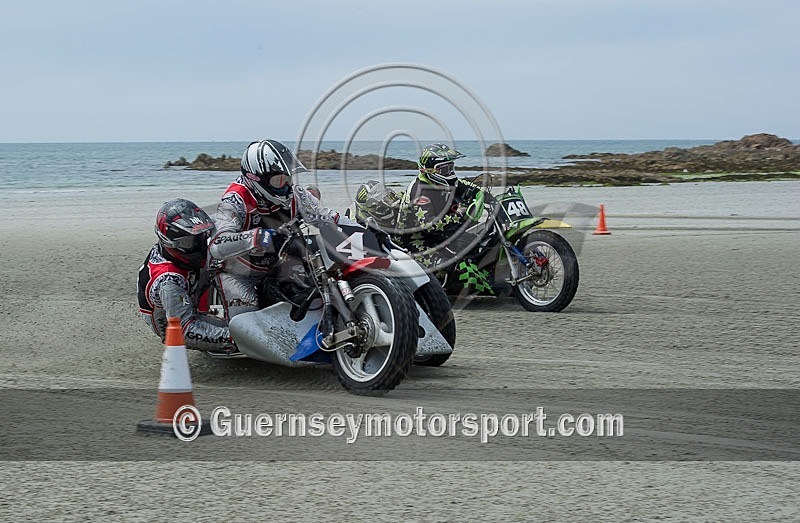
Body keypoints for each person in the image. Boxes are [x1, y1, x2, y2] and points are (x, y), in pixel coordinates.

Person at [209, 139, 346, 319]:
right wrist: (259, 237)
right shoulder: (235, 201)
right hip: (239, 273)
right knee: (246, 329)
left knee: (317, 288)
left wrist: (364, 231)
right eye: (278, 180)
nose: (286, 186)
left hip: (278, 265)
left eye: (287, 178)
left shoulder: (295, 194)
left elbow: (327, 217)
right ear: (255, 178)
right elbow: (217, 245)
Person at [137, 198, 236, 352]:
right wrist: (237, 338)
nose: (200, 245)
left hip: (189, 289)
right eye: (190, 242)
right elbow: (184, 331)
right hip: (173, 323)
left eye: (202, 237)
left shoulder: (175, 251)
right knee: (240, 334)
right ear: (171, 244)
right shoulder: (169, 281)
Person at [397, 143, 482, 268]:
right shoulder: (420, 192)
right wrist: (459, 215)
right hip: (416, 242)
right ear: (431, 171)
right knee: (451, 267)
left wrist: (486, 196)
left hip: (439, 235)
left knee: (476, 244)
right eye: (446, 170)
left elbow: (468, 188)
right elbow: (430, 226)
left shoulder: (443, 181)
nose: (451, 173)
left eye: (451, 168)